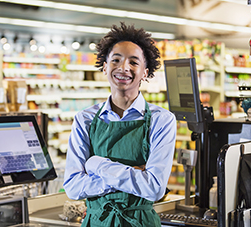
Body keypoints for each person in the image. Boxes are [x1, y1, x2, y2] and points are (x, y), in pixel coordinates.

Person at [63, 22, 176, 227]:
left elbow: (154, 188)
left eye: (134, 62)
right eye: (116, 60)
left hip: (140, 222)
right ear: (105, 67)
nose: (124, 67)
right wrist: (133, 174)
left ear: (145, 72)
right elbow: (72, 187)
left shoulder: (162, 120)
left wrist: (96, 165)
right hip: (96, 222)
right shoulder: (85, 119)